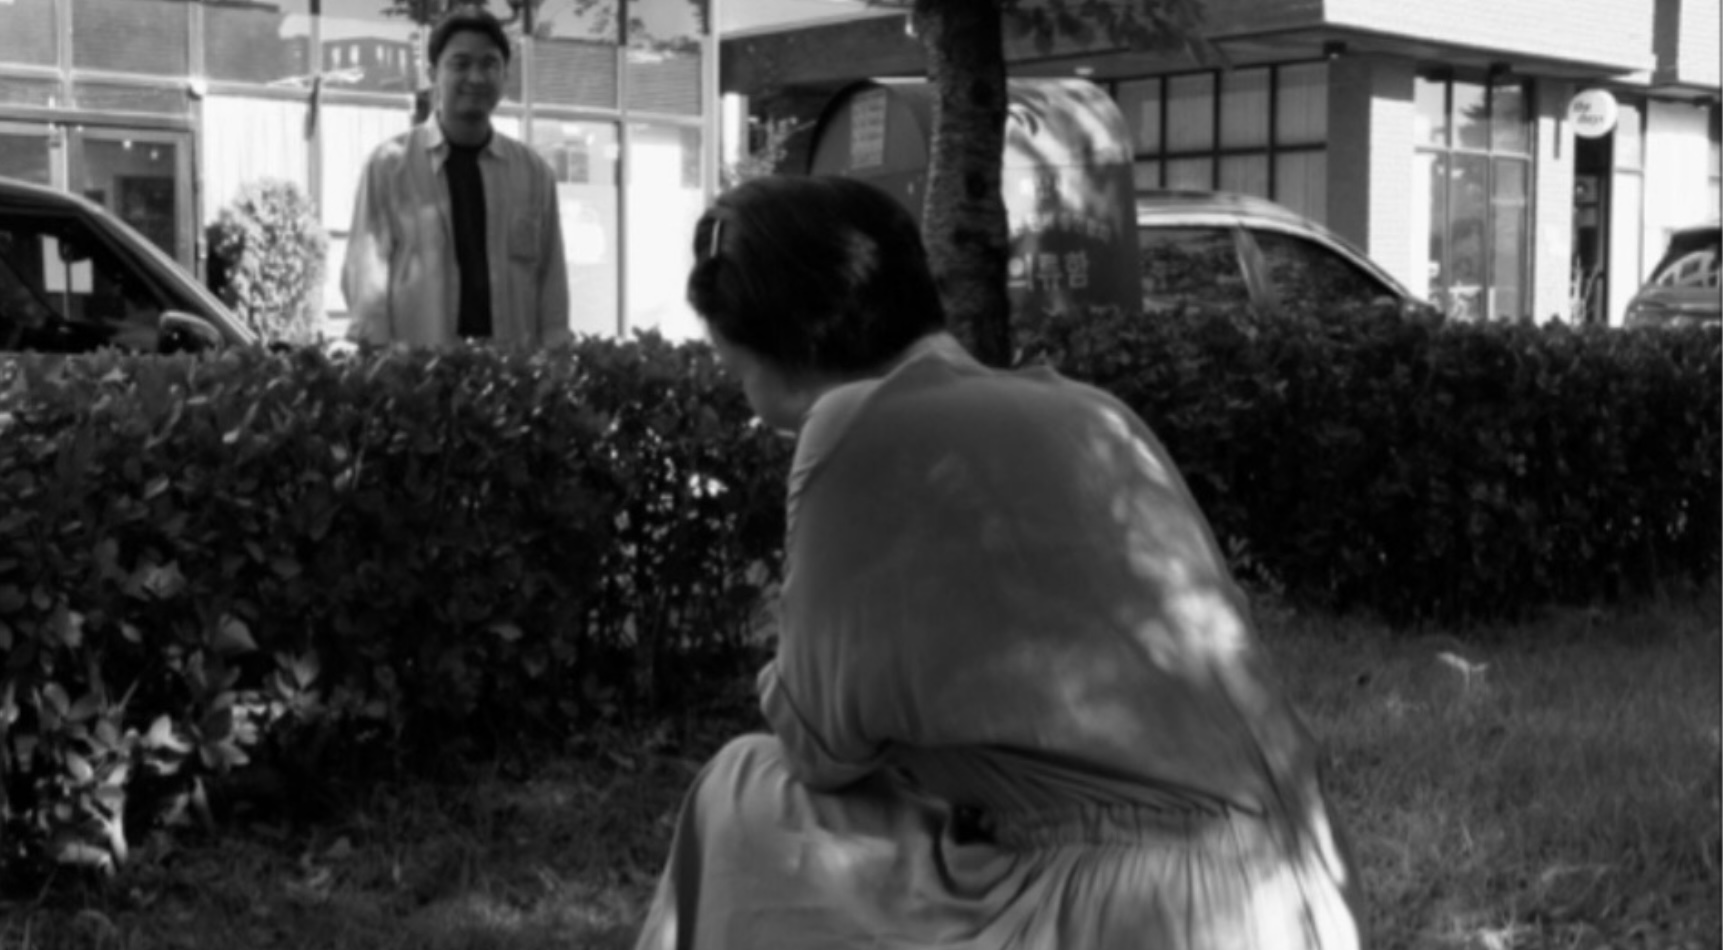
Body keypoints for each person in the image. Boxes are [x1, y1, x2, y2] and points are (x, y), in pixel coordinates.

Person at [632, 175, 1367, 950]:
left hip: (1144, 911)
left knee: (741, 788)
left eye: (735, 370)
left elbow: (818, 748)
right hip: (1304, 889)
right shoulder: (1095, 412)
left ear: (784, 342)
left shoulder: (850, 423)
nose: (744, 399)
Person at [341, 5, 569, 349]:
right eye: (460, 64)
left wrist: (554, 358)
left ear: (505, 76)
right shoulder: (390, 166)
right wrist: (381, 365)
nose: (476, 78)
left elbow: (552, 286)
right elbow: (367, 279)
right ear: (433, 73)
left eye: (489, 64)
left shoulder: (534, 174)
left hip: (510, 373)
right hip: (421, 372)